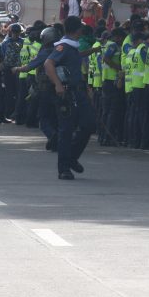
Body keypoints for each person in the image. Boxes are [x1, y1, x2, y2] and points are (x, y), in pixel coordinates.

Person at [44, 16, 97, 180]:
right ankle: (64, 168)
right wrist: (58, 84)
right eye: (81, 27)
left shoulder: (73, 47)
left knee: (89, 124)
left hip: (79, 92)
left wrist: (86, 87)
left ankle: (72, 157)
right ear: (77, 29)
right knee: (66, 130)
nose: (83, 30)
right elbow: (48, 64)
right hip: (67, 93)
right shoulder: (64, 46)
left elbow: (74, 67)